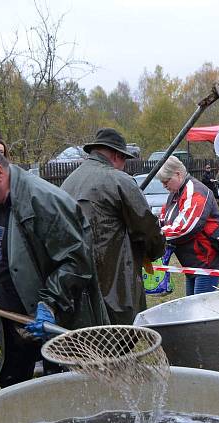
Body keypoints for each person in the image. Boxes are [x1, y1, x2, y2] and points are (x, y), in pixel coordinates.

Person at [0, 146, 108, 387]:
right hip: (13, 318)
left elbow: (75, 260)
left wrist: (49, 303)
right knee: (13, 383)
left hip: (56, 319)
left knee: (65, 387)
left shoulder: (45, 201)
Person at [61, 128, 164, 324]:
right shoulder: (119, 180)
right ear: (117, 155)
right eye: (125, 159)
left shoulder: (68, 182)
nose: (124, 166)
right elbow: (148, 229)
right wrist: (155, 251)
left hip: (73, 284)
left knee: (85, 340)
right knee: (116, 342)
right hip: (113, 286)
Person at [157, 156, 219, 296]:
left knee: (202, 312)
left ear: (178, 174)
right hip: (193, 262)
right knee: (193, 309)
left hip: (207, 262)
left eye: (166, 181)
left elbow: (185, 227)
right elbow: (165, 218)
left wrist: (156, 234)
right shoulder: (175, 193)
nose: (164, 186)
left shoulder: (196, 191)